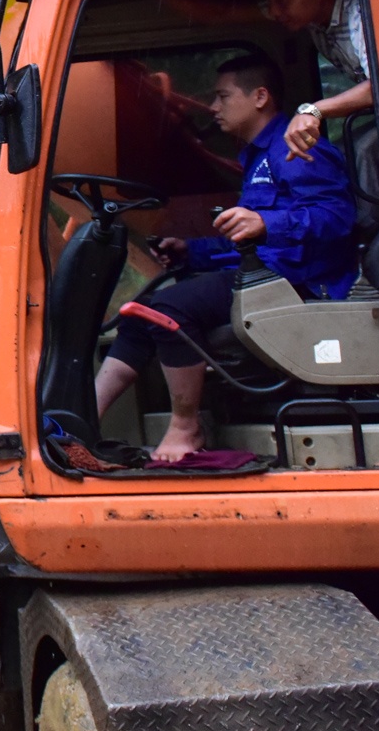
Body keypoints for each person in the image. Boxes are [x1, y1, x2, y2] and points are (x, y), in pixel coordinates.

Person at [94, 56, 356, 461]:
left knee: (170, 310)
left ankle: (186, 428)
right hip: (257, 273)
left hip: (295, 283)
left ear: (260, 98)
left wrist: (267, 223)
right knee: (140, 314)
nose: (213, 108)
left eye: (222, 97)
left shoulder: (299, 148)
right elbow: (245, 239)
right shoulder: (255, 157)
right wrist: (191, 249)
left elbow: (337, 218)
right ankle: (83, 421)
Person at [122, 0, 373, 161]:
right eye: (270, 1)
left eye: (282, 0)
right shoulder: (307, 10)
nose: (274, 11)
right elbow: (220, 14)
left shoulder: (360, 14)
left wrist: (314, 110)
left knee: (361, 154)